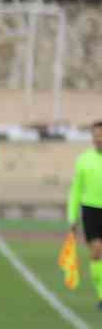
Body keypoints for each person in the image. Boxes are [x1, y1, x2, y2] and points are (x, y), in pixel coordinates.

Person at [67, 120, 102, 311]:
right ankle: (101, 294)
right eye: (96, 136)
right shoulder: (83, 160)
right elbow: (76, 190)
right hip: (91, 210)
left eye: (101, 135)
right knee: (96, 251)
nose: (99, 139)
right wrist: (72, 217)